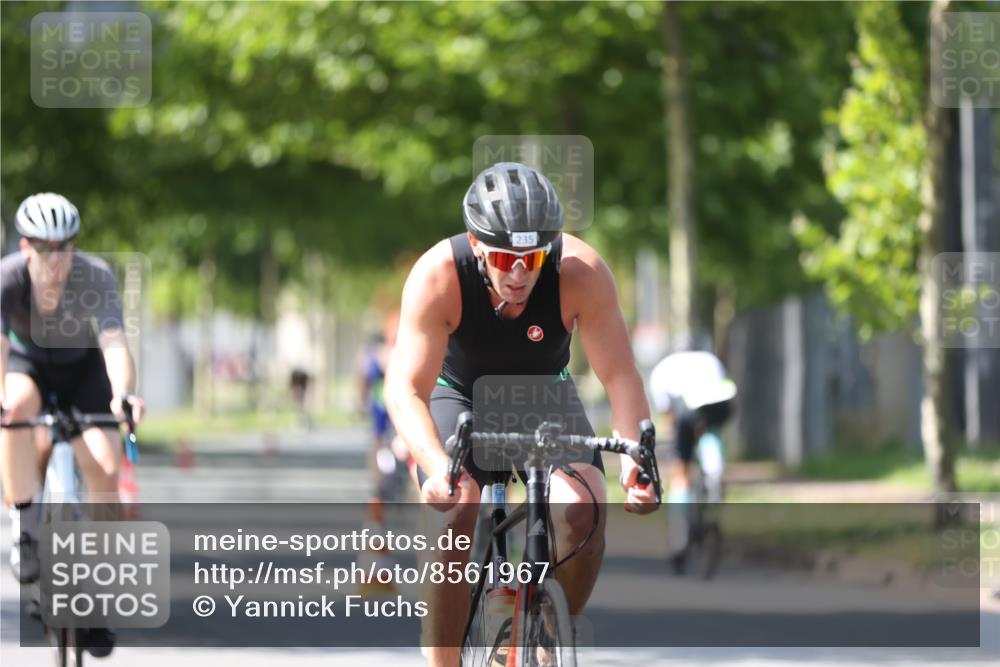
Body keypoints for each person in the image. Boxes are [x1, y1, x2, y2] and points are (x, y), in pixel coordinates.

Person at [385, 162, 659, 667]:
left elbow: (620, 376)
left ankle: (548, 632)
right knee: (456, 511)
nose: (518, 273)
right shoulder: (438, 275)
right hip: (458, 395)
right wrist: (435, 468)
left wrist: (635, 466)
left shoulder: (581, 272)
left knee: (584, 508)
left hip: (543, 399)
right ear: (476, 243)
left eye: (532, 258)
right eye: (504, 258)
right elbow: (405, 388)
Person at [0, 192, 145, 657]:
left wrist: (124, 394)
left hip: (84, 370)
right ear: (26, 247)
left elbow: (115, 342)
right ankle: (25, 526)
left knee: (104, 462)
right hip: (28, 365)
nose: (56, 258)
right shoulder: (7, 279)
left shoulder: (95, 276)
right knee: (15, 407)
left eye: (65, 246)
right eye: (45, 247)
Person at [648, 347, 737, 565]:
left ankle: (678, 536)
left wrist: (679, 447)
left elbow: (669, 415)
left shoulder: (661, 371)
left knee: (680, 473)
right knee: (709, 430)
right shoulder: (709, 358)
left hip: (687, 411)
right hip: (719, 406)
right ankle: (714, 474)